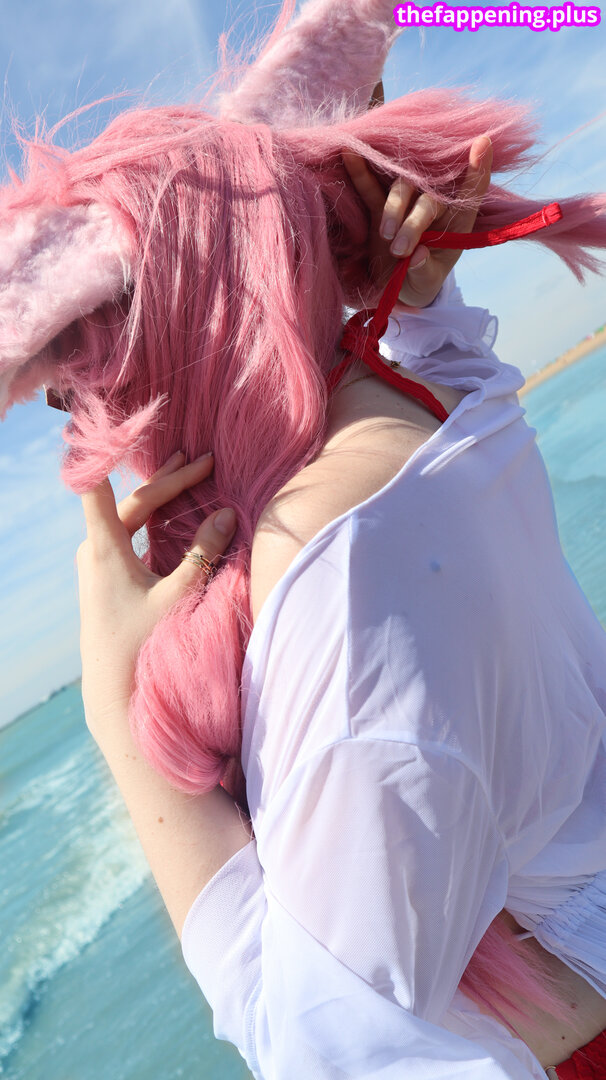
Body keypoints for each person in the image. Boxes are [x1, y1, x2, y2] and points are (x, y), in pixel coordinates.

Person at [2, 2, 606, 1077]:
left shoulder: (338, 558)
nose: (88, 432)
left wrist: (114, 717)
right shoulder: (428, 413)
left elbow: (327, 1045)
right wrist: (416, 303)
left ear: (173, 337)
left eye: (79, 383)